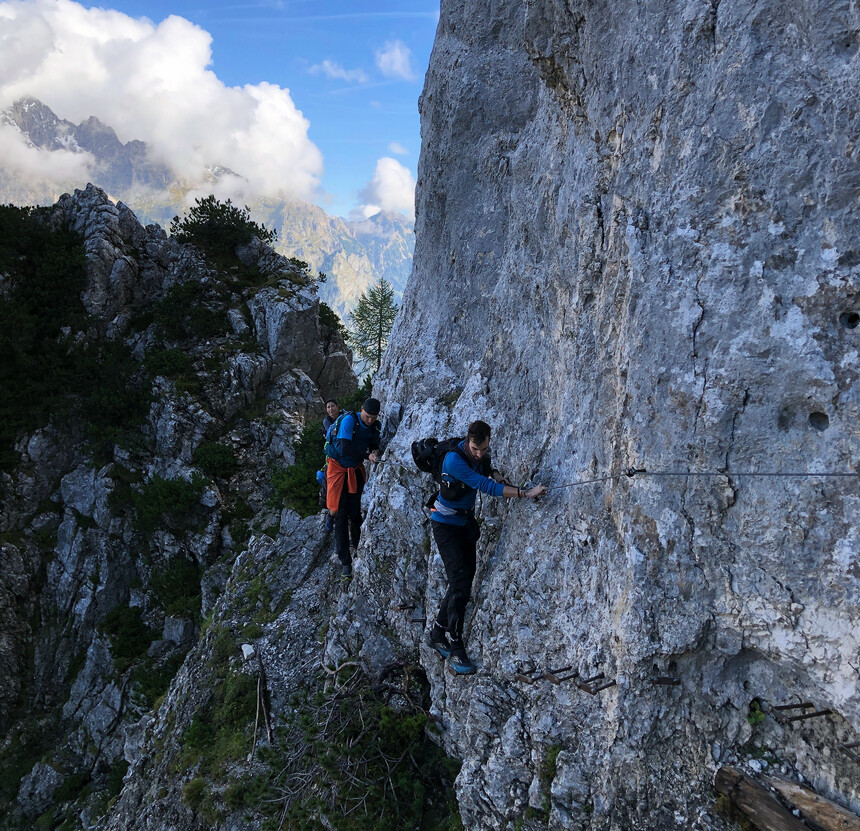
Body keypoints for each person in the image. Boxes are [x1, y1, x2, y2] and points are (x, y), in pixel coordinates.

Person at [428, 419, 546, 675]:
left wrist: (495, 473)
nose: (479, 453)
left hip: (463, 523)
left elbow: (487, 471)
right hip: (445, 525)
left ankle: (437, 632)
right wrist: (524, 493)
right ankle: (456, 645)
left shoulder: (480, 455)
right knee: (459, 583)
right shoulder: (454, 461)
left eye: (483, 448)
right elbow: (484, 485)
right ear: (468, 440)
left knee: (463, 582)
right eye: (475, 448)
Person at [325, 397, 381, 580]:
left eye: (373, 417)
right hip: (339, 469)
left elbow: (374, 442)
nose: (370, 420)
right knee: (341, 514)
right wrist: (367, 455)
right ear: (361, 409)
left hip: (355, 470)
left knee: (355, 512)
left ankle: (356, 545)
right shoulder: (350, 420)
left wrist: (374, 451)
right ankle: (345, 562)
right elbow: (344, 448)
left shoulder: (373, 426)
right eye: (367, 416)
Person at [320, 399, 341, 533]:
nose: (331, 409)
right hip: (332, 458)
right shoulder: (327, 421)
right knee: (329, 484)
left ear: (337, 407)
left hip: (342, 456)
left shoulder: (343, 417)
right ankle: (330, 513)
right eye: (328, 407)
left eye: (333, 406)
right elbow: (331, 433)